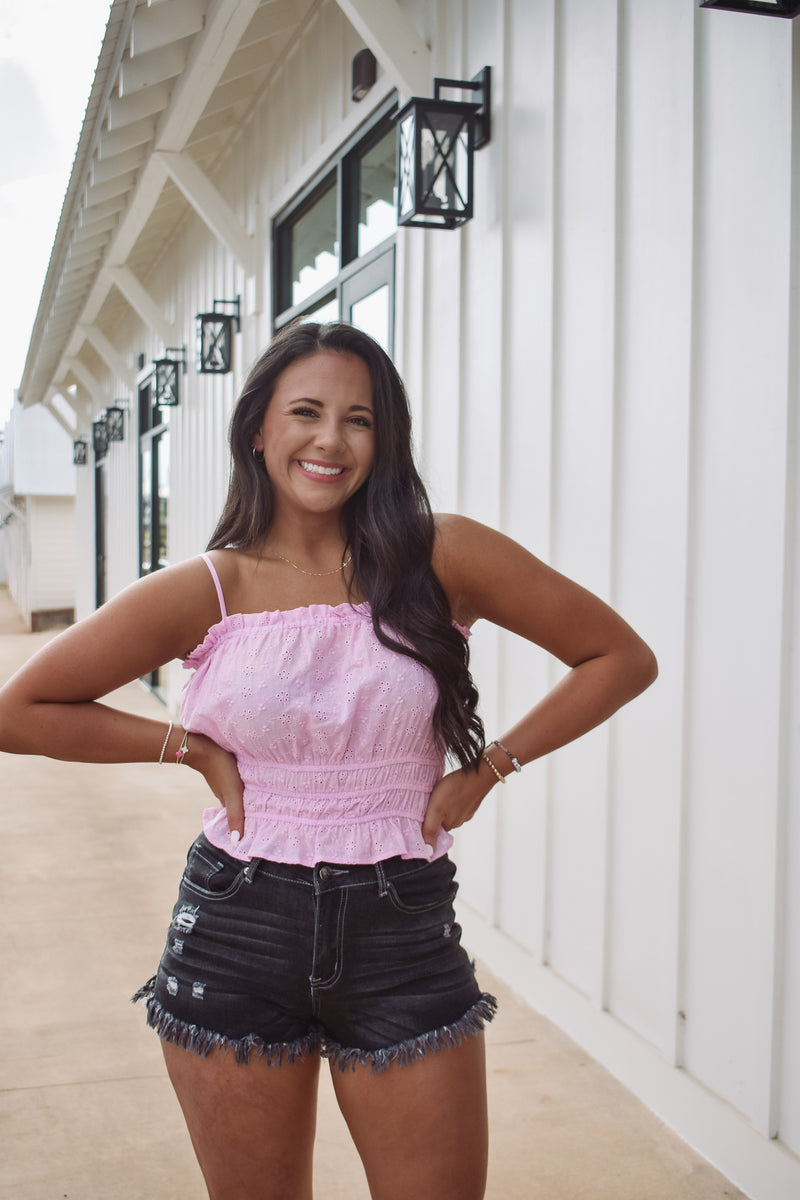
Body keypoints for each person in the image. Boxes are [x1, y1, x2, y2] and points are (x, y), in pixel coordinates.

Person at [0, 322, 656, 1200]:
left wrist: (487, 769)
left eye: (361, 419)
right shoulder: (209, 586)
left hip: (402, 930)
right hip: (238, 925)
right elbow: (21, 710)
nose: (330, 440)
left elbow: (619, 658)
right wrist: (185, 748)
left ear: (384, 442)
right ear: (259, 430)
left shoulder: (440, 553)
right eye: (305, 412)